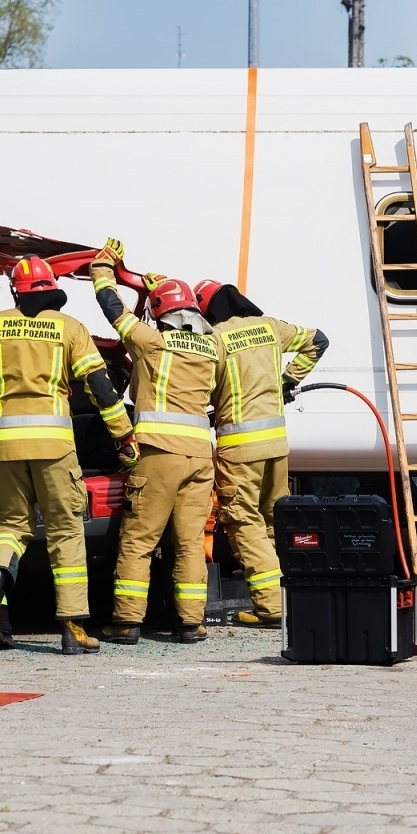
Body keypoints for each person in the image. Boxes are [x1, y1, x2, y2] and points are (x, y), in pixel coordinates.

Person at [0, 255, 134, 654]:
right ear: (51, 287)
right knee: (65, 533)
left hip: (3, 447)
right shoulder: (69, 328)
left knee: (9, 527)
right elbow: (101, 388)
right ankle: (72, 628)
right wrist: (123, 436)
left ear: (16, 291)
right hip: (55, 448)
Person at [91, 241, 221, 644]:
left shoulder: (152, 342)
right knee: (188, 545)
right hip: (200, 458)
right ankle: (191, 623)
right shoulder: (213, 346)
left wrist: (102, 268)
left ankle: (127, 622)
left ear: (159, 313)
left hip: (158, 453)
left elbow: (113, 309)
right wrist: (155, 289)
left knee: (139, 540)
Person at [194, 279, 328, 626]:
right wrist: (287, 381)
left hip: (240, 449)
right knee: (273, 521)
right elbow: (318, 340)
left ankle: (271, 608)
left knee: (243, 521)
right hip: (277, 446)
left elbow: (203, 388)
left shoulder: (216, 339)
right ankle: (291, 597)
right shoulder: (269, 327)